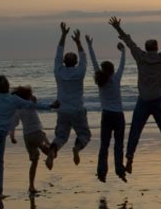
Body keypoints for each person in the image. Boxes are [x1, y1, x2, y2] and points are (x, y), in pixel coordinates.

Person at [108, 14, 161, 173]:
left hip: (143, 100)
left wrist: (117, 27)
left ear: (146, 48)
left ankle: (129, 158)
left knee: (135, 131)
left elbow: (129, 42)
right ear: (156, 48)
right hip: (159, 100)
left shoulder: (140, 56)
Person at [46, 23, 90, 169]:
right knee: (84, 134)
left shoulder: (59, 71)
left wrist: (63, 35)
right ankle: (77, 148)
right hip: (77, 109)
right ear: (75, 63)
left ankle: (53, 150)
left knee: (61, 137)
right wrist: (78, 42)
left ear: (64, 62)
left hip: (63, 110)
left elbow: (58, 53)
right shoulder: (79, 72)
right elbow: (84, 57)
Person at [85, 35, 128, 183]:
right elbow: (123, 64)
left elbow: (93, 61)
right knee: (119, 144)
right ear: (112, 70)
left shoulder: (100, 80)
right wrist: (123, 51)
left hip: (107, 115)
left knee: (104, 144)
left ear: (103, 70)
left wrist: (89, 45)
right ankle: (119, 169)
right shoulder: (116, 79)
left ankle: (101, 171)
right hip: (118, 115)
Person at [8, 86, 53, 193]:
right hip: (37, 132)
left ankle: (31, 186)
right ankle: (47, 155)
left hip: (27, 136)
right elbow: (35, 99)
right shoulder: (30, 102)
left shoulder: (18, 108)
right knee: (51, 148)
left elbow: (13, 124)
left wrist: (12, 136)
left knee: (34, 161)